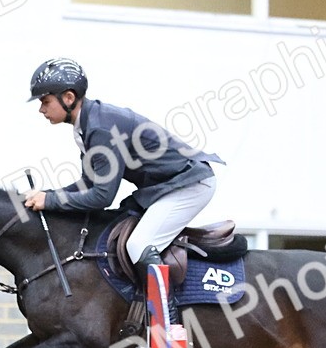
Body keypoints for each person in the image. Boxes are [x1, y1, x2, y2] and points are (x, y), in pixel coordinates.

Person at [22, 57, 223, 330]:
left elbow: (102, 197)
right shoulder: (88, 124)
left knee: (138, 245)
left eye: (45, 101)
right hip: (163, 188)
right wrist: (47, 195)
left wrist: (52, 200)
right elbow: (88, 183)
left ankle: (168, 325)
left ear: (68, 97)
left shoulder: (100, 128)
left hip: (189, 185)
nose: (41, 109)